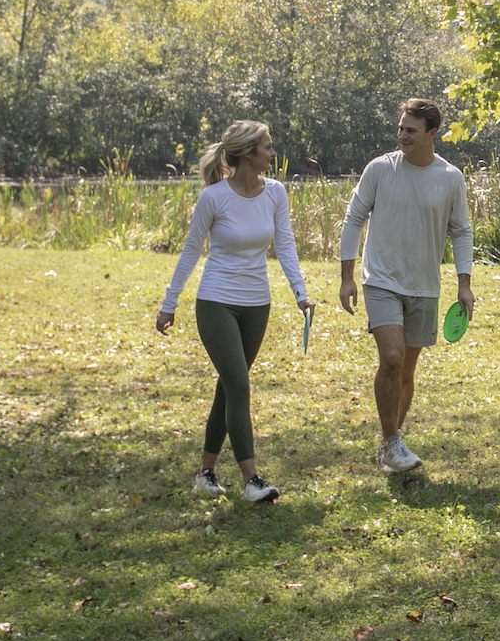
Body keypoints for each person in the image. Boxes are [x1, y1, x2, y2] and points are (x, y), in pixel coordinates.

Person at [156, 120, 314, 503]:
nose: (273, 154)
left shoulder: (275, 193)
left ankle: (205, 472)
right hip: (216, 302)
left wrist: (300, 293)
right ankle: (252, 480)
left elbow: (286, 246)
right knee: (239, 385)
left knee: (229, 388)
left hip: (257, 304)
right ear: (247, 154)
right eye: (268, 147)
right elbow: (192, 251)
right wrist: (169, 302)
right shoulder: (214, 197)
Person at [339, 97, 473, 474]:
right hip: (380, 279)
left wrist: (464, 285)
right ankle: (392, 442)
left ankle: (388, 444)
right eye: (400, 128)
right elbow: (353, 220)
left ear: (432, 133)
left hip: (424, 284)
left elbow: (461, 232)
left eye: (411, 130)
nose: (402, 136)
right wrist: (347, 277)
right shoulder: (380, 170)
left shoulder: (450, 178)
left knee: (407, 371)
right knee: (393, 358)